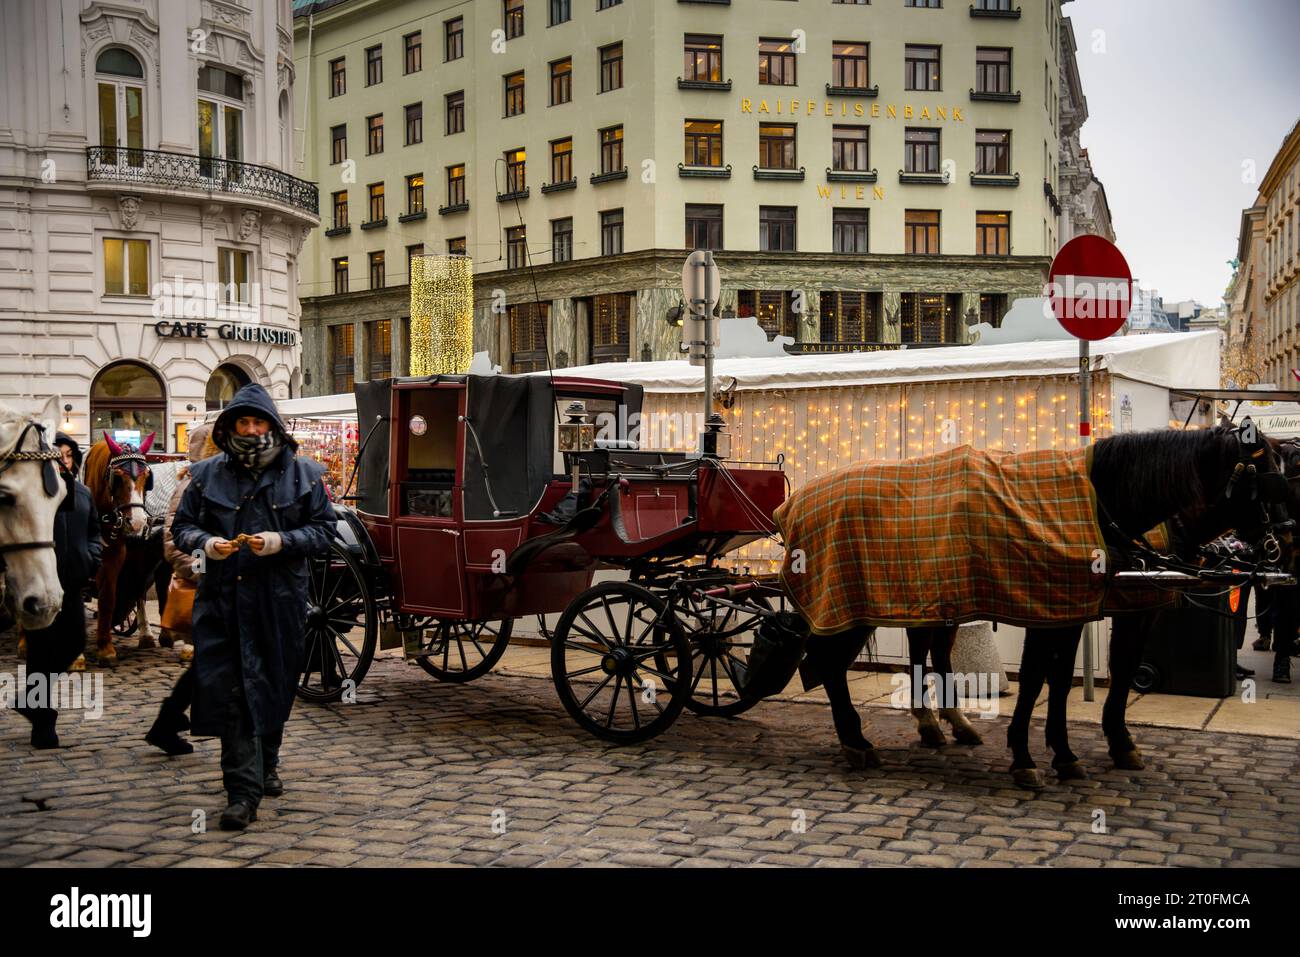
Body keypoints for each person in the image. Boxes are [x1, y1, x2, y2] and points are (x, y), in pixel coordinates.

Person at [171, 384, 336, 830]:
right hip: (222, 601)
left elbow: (324, 531)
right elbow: (183, 526)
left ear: (271, 425)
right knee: (235, 694)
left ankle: (268, 763)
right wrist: (207, 543)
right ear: (229, 427)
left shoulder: (302, 474)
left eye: (256, 421)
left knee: (275, 685)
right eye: (242, 422)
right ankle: (242, 793)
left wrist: (282, 542)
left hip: (278, 600)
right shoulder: (206, 475)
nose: (249, 429)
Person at [17, 433, 102, 749]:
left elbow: (94, 531)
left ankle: (30, 699)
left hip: (73, 584)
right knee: (40, 653)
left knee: (74, 644)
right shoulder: (34, 494)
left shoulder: (83, 493)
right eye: (57, 455)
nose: (63, 461)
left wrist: (92, 557)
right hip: (40, 583)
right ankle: (42, 722)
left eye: (68, 456)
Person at [145, 423, 218, 756]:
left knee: (207, 662)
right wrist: (206, 570)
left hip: (221, 591)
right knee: (211, 662)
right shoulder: (192, 484)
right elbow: (174, 543)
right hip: (203, 591)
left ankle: (168, 720)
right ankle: (168, 720)